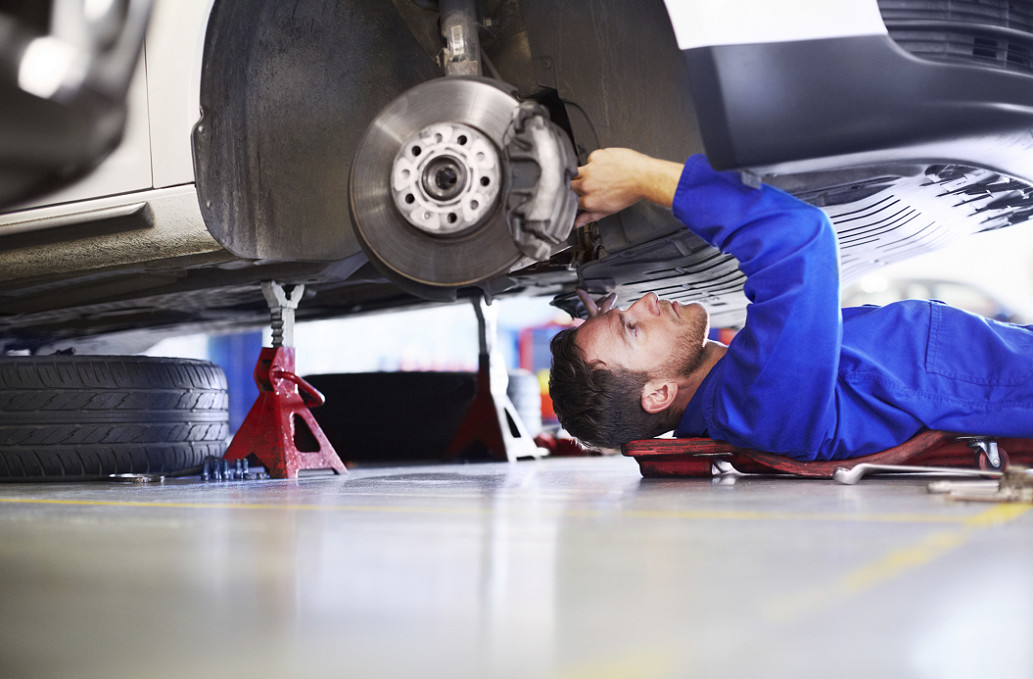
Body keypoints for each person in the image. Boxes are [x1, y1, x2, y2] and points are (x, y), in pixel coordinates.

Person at [549, 148, 1033, 460]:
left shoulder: (744, 389)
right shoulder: (757, 404)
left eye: (625, 310)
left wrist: (605, 324)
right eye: (632, 328)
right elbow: (797, 238)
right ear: (657, 396)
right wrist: (641, 176)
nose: (647, 300)